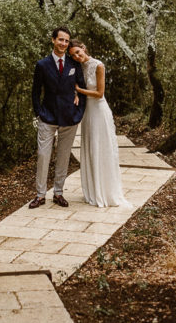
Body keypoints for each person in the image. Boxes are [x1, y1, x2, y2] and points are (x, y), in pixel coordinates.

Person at [68, 40, 130, 208]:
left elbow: (99, 92)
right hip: (87, 112)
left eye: (78, 52)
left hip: (99, 111)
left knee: (101, 148)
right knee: (90, 148)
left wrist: (78, 90)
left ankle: (106, 191)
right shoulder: (78, 67)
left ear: (84, 48)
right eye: (73, 55)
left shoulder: (98, 65)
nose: (77, 56)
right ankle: (93, 190)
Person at [30, 27, 86, 208]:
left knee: (63, 156)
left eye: (66, 41)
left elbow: (82, 88)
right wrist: (39, 112)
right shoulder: (42, 65)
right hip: (47, 117)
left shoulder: (74, 64)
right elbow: (35, 92)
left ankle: (58, 192)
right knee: (43, 155)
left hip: (69, 118)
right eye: (60, 40)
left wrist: (79, 112)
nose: (63, 44)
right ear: (53, 40)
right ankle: (40, 195)